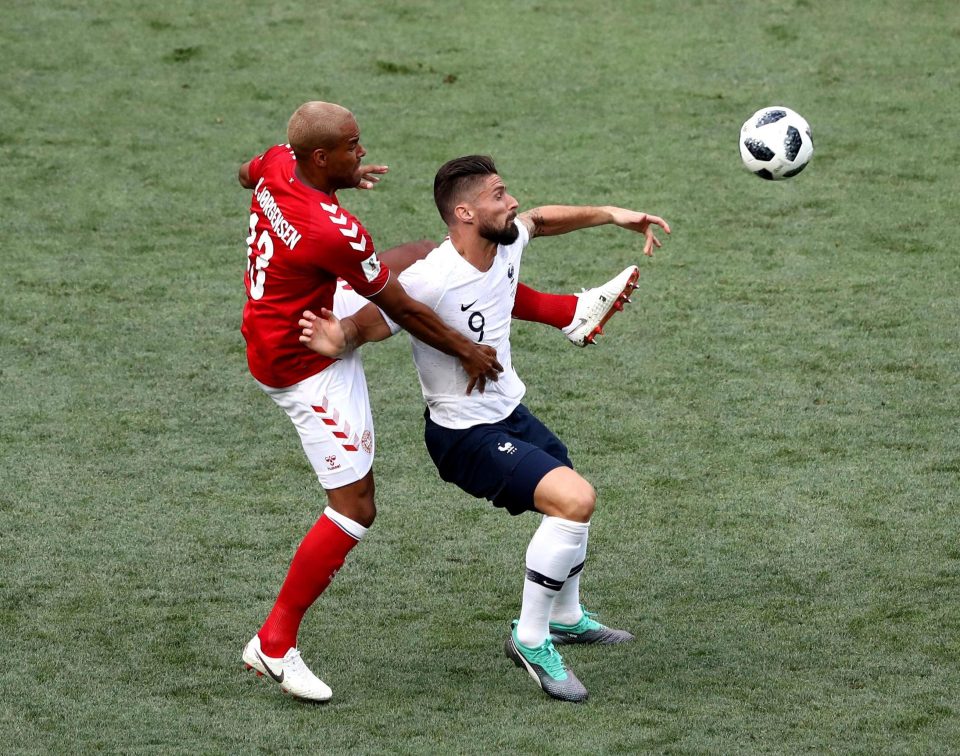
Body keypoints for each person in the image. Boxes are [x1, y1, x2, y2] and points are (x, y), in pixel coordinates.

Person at [237, 103, 641, 703]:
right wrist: (457, 351)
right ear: (319, 158)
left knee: (424, 253)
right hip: (304, 358)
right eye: (352, 148)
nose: (363, 154)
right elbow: (400, 310)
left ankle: (568, 314)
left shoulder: (277, 163)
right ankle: (272, 644)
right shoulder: (334, 230)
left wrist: (610, 214)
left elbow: (250, 176)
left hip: (298, 308)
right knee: (354, 508)